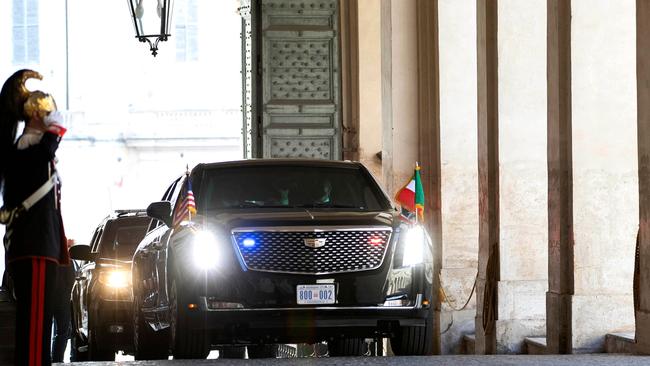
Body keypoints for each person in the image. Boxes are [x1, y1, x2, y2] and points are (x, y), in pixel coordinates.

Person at [0, 70, 69, 366]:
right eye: (49, 114)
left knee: (40, 323)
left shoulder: (34, 150)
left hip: (41, 246)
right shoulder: (27, 149)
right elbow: (43, 151)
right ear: (37, 117)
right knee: (35, 326)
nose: (54, 119)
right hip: (35, 247)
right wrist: (55, 131)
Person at [51, 239, 76, 362]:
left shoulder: (51, 260)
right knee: (63, 332)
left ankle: (53, 357)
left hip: (49, 299)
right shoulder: (67, 261)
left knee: (58, 331)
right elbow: (71, 281)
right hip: (63, 300)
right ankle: (57, 359)